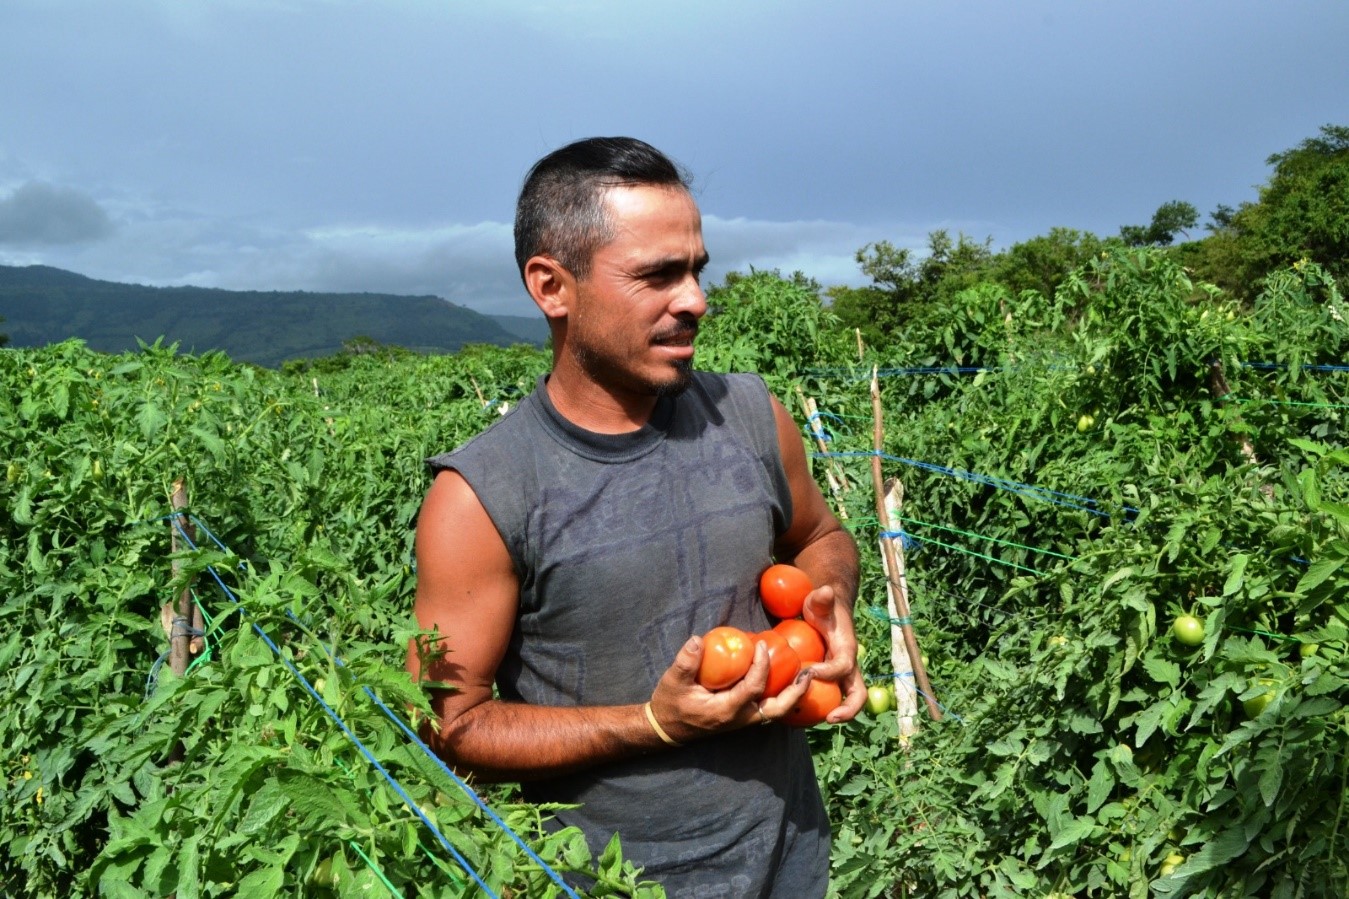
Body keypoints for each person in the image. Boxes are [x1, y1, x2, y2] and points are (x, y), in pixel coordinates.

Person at [408, 136, 863, 896]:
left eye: (695, 270)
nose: (694, 300)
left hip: (789, 854)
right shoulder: (480, 495)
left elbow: (820, 535)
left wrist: (831, 600)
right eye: (656, 275)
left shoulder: (749, 414)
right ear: (552, 286)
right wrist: (650, 723)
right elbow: (450, 726)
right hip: (613, 882)